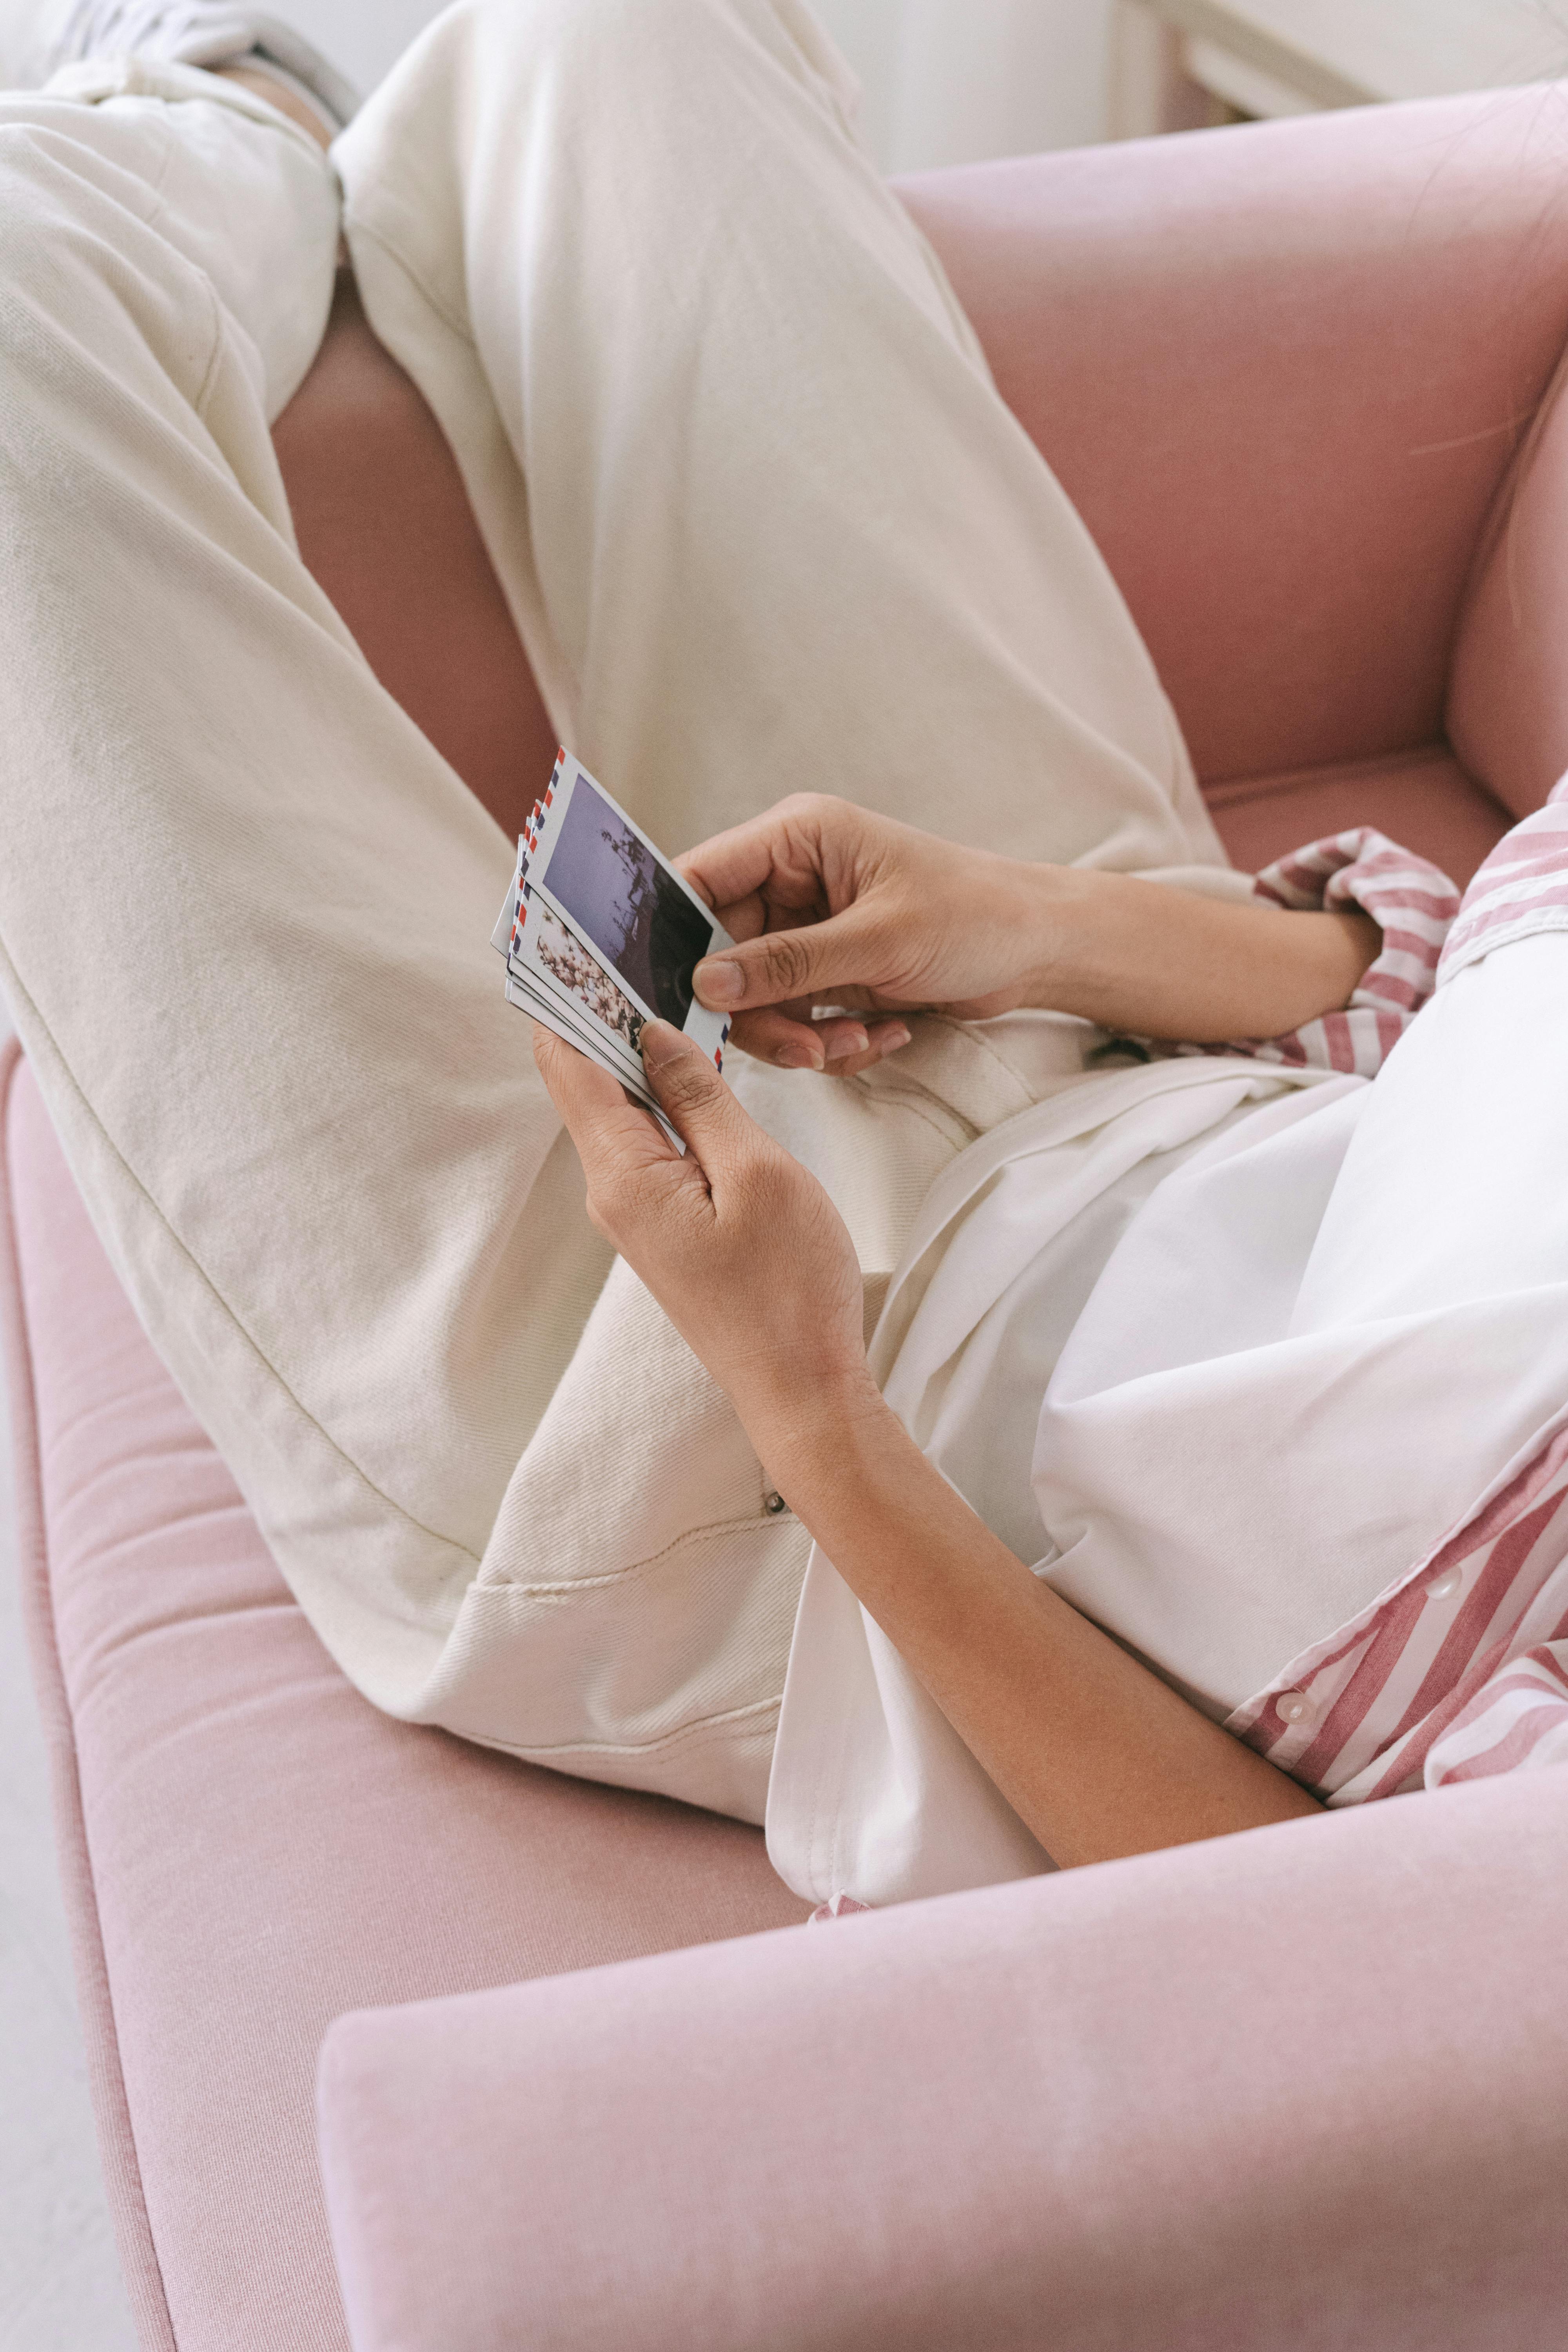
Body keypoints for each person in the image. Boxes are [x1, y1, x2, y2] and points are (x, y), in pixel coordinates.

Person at [4, 0, 1566, 1916]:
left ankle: (190, 116)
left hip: (766, 1487)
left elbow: (1330, 1952)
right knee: (619, 34)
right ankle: (247, 128)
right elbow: (1445, 1004)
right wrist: (1025, 923)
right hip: (1132, 1052)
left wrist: (807, 1402)